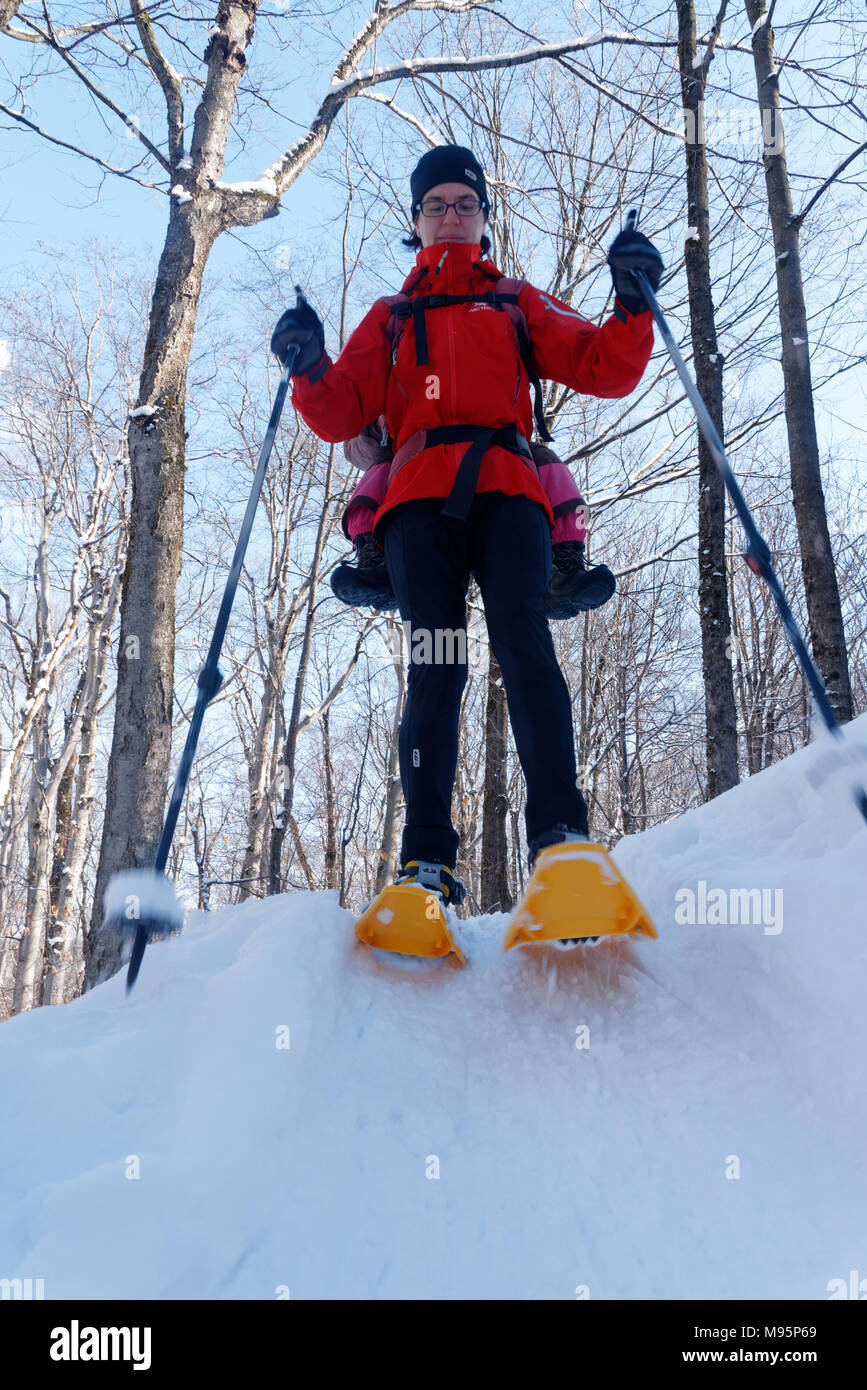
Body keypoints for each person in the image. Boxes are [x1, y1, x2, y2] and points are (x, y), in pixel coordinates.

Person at [271, 144, 662, 904]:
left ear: (484, 219)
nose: (450, 215)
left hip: (508, 490)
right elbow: (341, 411)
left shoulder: (514, 301)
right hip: (417, 504)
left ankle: (561, 839)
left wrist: (633, 301)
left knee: (523, 638)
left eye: (464, 204)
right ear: (415, 223)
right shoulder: (390, 315)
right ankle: (425, 864)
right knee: (437, 666)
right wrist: (308, 364)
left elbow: (601, 366)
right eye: (435, 205)